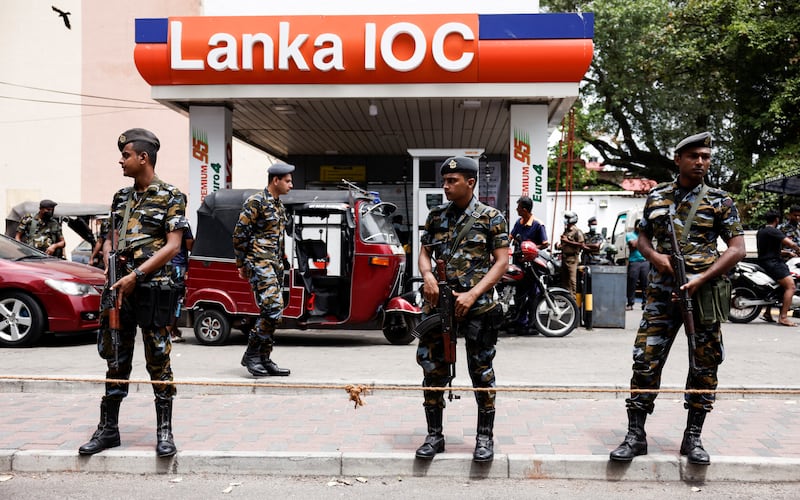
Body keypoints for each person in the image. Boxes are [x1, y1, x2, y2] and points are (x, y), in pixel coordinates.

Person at [609, 131, 745, 466]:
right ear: (678, 159)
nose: (701, 162)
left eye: (706, 157)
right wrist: (656, 259)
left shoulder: (720, 200)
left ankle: (693, 437)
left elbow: (737, 248)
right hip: (660, 294)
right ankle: (636, 435)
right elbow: (641, 238)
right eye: (694, 156)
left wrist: (702, 278)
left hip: (703, 295)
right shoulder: (656, 196)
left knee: (704, 364)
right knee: (645, 361)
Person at [79, 128, 189, 458]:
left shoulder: (171, 195)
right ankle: (108, 430)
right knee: (116, 359)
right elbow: (113, 236)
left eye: (126, 155)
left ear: (143, 157)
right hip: (121, 291)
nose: (121, 160)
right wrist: (112, 270)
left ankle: (164, 432)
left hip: (153, 290)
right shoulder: (120, 198)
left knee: (159, 360)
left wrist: (136, 275)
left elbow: (173, 245)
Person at [416, 156, 508, 463]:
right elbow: (424, 253)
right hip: (438, 306)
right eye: (444, 181)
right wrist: (427, 276)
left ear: (470, 182)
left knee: (481, 372)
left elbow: (501, 262)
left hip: (478, 307)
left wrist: (473, 294)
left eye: (452, 180)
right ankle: (434, 436)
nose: (445, 186)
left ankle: (484, 438)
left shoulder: (491, 217)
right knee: (432, 369)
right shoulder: (435, 216)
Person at [232, 163, 294, 377]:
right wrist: (241, 263)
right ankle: (251, 354)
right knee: (272, 307)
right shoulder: (256, 201)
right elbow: (239, 234)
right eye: (287, 180)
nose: (291, 185)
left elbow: (278, 238)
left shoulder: (278, 205)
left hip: (274, 265)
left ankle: (264, 358)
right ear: (275, 180)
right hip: (259, 263)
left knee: (275, 313)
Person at [756, 209, 800, 326]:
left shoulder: (762, 230)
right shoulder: (773, 231)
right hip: (774, 263)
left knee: (778, 287)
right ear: (777, 219)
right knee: (791, 286)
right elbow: (791, 244)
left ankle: (767, 313)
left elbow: (769, 250)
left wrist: (787, 253)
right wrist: (797, 249)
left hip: (766, 261)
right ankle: (783, 317)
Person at [168, 222, 195, 342]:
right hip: (178, 266)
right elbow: (190, 246)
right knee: (178, 299)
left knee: (169, 299)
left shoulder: (165, 220)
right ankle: (169, 332)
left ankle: (173, 329)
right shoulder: (183, 224)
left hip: (165, 264)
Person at [557, 211, 584, 296]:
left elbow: (581, 244)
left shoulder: (577, 231)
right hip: (564, 258)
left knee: (573, 281)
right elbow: (564, 244)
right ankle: (568, 300)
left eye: (567, 218)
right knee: (565, 281)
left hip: (572, 259)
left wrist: (568, 242)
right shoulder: (566, 231)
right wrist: (558, 246)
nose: (565, 220)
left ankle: (575, 300)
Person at [626, 221, 648, 310]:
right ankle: (630, 303)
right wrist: (642, 240)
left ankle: (645, 303)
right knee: (632, 283)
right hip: (634, 262)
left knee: (645, 283)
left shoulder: (645, 236)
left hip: (645, 261)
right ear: (635, 226)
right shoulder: (629, 235)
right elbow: (633, 245)